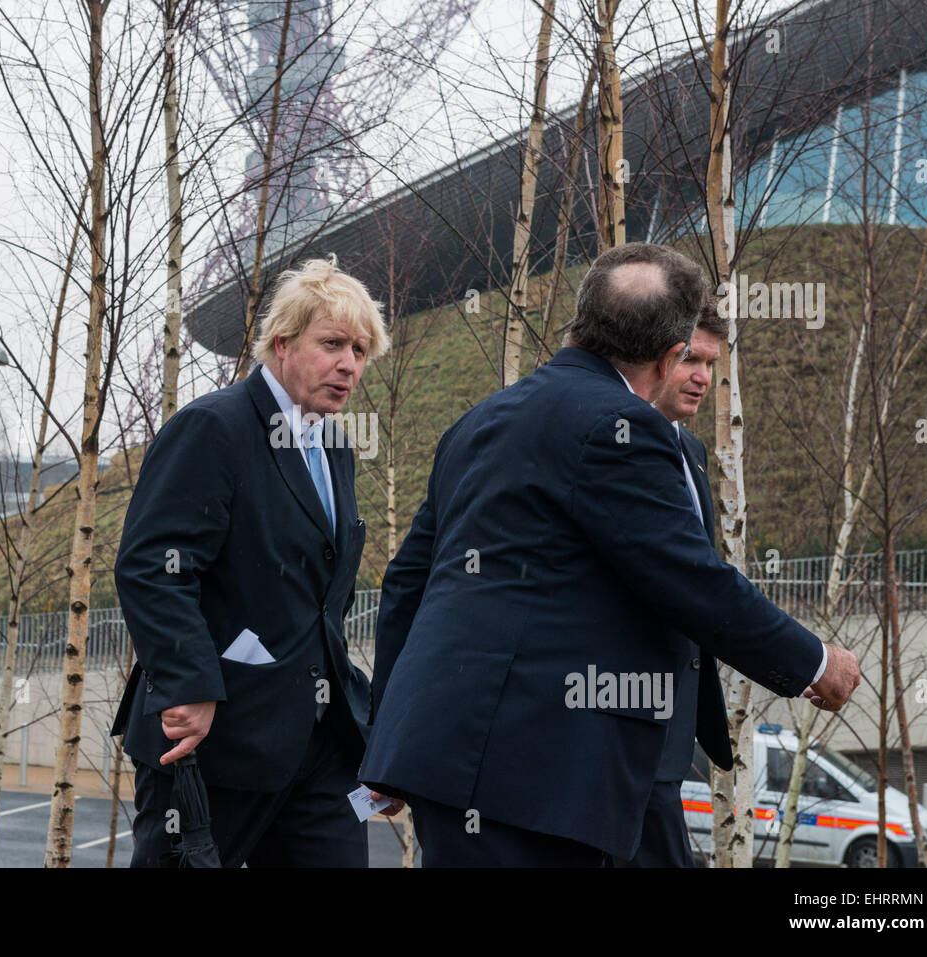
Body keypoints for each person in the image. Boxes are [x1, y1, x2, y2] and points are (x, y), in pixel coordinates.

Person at [359, 242, 859, 867]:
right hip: (539, 771)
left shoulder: (479, 421)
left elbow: (408, 583)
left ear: (582, 320)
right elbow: (689, 579)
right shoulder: (621, 428)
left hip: (457, 757)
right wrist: (814, 662)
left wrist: (385, 741)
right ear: (671, 352)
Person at [112, 257, 393, 867]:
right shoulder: (214, 427)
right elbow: (153, 567)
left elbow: (320, 608)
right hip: (216, 738)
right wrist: (190, 685)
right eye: (333, 344)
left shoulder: (336, 444)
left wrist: (375, 737)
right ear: (283, 342)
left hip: (319, 747)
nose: (349, 364)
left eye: (361, 350)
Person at [618, 315, 729, 867]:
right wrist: (807, 662)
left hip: (670, 734)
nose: (703, 376)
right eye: (690, 359)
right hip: (614, 724)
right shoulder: (614, 445)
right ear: (656, 359)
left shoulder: (693, 453)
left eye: (711, 363)